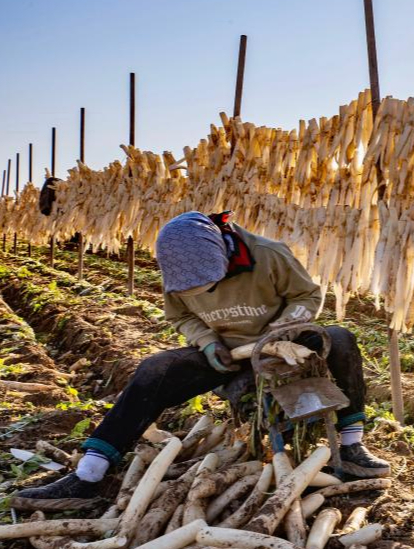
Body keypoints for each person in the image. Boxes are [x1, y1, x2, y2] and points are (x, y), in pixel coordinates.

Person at [16, 211, 389, 503]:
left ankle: (351, 444)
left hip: (282, 339)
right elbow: (181, 316)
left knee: (339, 338)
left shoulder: (268, 255)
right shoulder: (176, 270)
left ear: (223, 255)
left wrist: (282, 331)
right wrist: (209, 343)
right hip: (226, 351)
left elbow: (307, 295)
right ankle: (90, 472)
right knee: (154, 370)